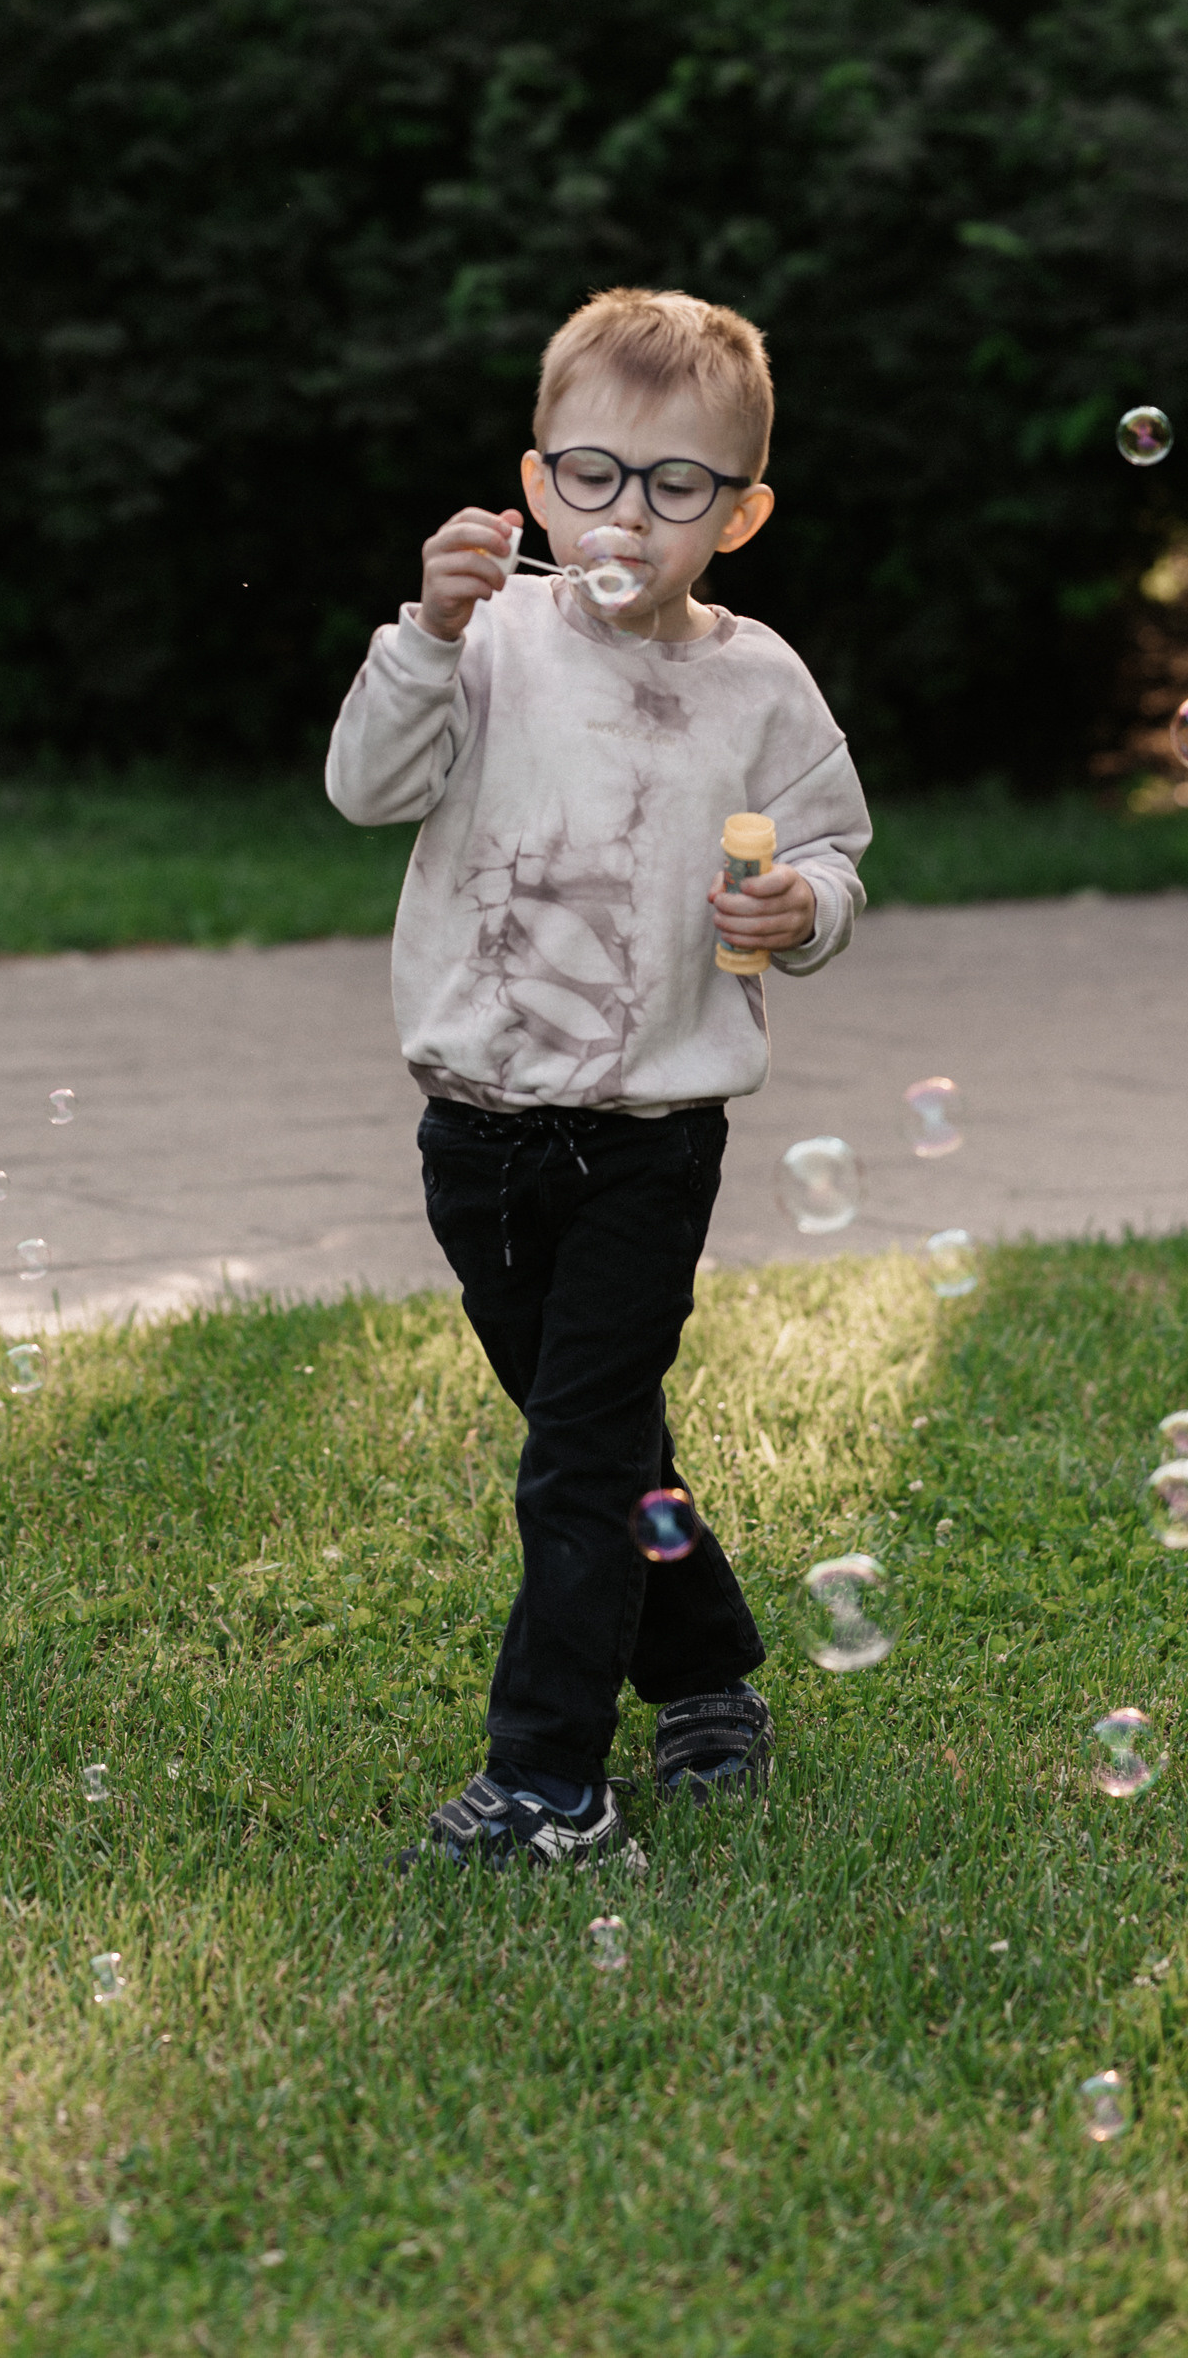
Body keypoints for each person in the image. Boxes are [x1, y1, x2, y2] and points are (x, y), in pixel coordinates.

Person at [324, 287, 869, 1866]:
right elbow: (364, 789)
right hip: (473, 1133)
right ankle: (705, 1673)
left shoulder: (757, 682)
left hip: (646, 1134)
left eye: (675, 485)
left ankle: (546, 1784)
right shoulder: (480, 643)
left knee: (572, 1455)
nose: (627, 513)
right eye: (590, 475)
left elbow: (830, 850)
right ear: (533, 479)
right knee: (605, 1443)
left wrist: (802, 904)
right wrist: (422, 629)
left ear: (740, 513)